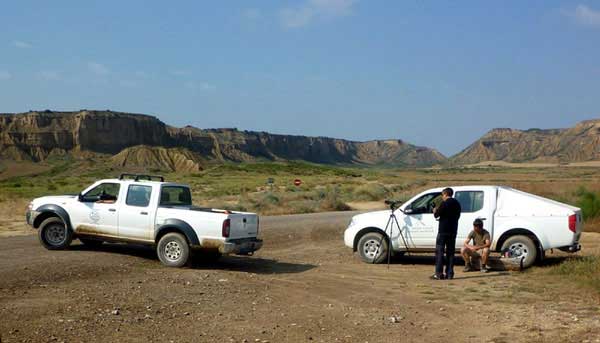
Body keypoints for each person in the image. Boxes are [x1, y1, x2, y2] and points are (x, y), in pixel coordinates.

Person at [431, 187, 461, 280]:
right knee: (450, 253)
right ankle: (449, 273)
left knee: (440, 252)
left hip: (443, 231)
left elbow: (437, 215)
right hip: (453, 230)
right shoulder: (457, 203)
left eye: (442, 195)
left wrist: (435, 210)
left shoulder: (444, 203)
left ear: (445, 194)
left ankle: (439, 273)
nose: (442, 197)